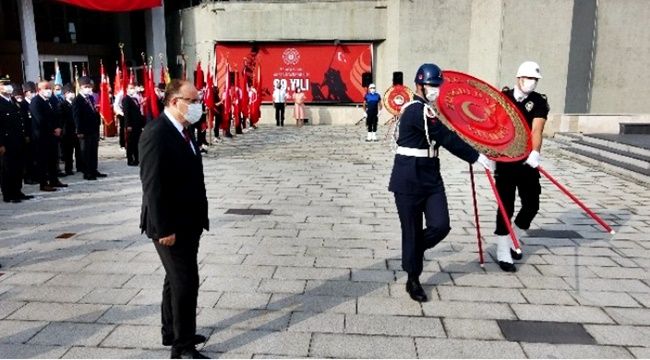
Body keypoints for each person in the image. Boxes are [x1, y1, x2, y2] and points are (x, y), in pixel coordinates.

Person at [388, 63, 495, 302]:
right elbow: (445, 137)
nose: (436, 89)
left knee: (441, 225)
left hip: (430, 177)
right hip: (408, 180)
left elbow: (452, 130)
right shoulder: (418, 110)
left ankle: (414, 248)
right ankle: (413, 279)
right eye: (431, 85)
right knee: (412, 229)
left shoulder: (430, 108)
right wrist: (475, 156)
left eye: (438, 85)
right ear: (419, 85)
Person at [139, 79, 209, 359]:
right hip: (169, 225)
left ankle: (171, 330)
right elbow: (152, 185)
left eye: (197, 100)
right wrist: (164, 227)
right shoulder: (156, 133)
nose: (197, 106)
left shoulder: (184, 130)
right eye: (191, 101)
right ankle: (183, 346)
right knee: (186, 282)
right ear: (173, 101)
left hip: (189, 221)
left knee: (175, 278)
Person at [493, 61, 550, 272]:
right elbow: (493, 127)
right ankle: (502, 249)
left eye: (536, 80)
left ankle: (512, 238)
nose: (533, 83)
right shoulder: (503, 98)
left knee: (532, 204)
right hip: (506, 160)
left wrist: (535, 152)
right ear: (519, 78)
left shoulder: (539, 101)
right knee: (505, 205)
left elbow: (537, 129)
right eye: (529, 79)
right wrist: (488, 154)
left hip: (527, 161)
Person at [0, 75, 32, 202]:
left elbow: (20, 121)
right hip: (6, 142)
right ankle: (8, 194)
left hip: (18, 140)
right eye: (3, 84)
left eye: (8, 84)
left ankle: (18, 190)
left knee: (18, 167)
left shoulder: (13, 100)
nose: (7, 87)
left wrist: (24, 136)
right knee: (7, 169)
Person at [30, 80, 65, 192]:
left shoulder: (52, 100)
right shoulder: (36, 102)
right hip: (42, 136)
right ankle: (43, 183)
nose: (49, 90)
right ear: (39, 90)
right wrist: (53, 129)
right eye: (46, 88)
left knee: (53, 159)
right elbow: (40, 120)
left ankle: (54, 180)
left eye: (50, 88)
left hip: (53, 136)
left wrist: (58, 127)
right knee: (43, 161)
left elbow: (57, 115)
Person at [73, 76, 106, 180]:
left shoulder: (90, 98)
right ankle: (87, 172)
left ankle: (94, 170)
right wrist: (79, 130)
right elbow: (76, 117)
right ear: (81, 87)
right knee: (85, 152)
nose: (89, 88)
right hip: (84, 131)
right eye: (86, 86)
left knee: (93, 151)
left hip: (93, 130)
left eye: (89, 86)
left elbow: (94, 113)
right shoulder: (77, 100)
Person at [57, 84, 82, 175]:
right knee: (68, 152)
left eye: (72, 92)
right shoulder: (61, 105)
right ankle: (69, 168)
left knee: (79, 150)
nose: (71, 94)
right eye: (68, 92)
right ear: (64, 94)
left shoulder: (77, 103)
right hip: (67, 131)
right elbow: (62, 119)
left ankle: (80, 166)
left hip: (77, 130)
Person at [123, 83, 146, 166]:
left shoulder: (135, 99)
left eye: (133, 88)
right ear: (127, 89)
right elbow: (126, 113)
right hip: (131, 125)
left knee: (137, 142)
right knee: (131, 143)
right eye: (131, 88)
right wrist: (128, 125)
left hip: (137, 125)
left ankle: (137, 159)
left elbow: (138, 112)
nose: (133, 90)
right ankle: (130, 159)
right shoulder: (126, 99)